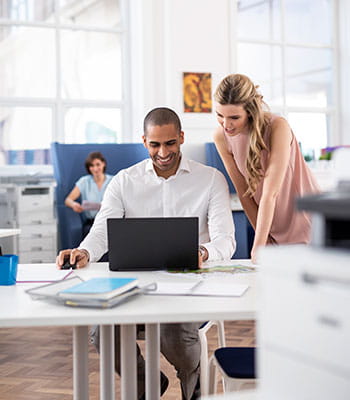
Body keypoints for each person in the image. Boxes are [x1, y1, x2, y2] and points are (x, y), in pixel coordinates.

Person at [56, 107, 236, 400]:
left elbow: (226, 241)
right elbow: (102, 231)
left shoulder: (210, 179)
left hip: (188, 288)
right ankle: (146, 384)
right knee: (102, 332)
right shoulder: (124, 182)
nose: (163, 152)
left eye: (169, 143)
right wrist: (85, 251)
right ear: (144, 141)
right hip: (134, 286)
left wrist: (202, 252)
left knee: (172, 332)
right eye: (155, 144)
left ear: (181, 138)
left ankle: (196, 388)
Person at [213, 73, 320, 263]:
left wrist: (258, 246)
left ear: (250, 111)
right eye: (220, 115)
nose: (226, 124)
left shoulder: (278, 126)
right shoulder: (221, 137)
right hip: (270, 223)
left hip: (305, 219)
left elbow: (271, 193)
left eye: (234, 117)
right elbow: (244, 194)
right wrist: (264, 238)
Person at [64, 151, 113, 237]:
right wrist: (74, 204)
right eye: (92, 166)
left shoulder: (113, 180)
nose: (95, 168)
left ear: (103, 164)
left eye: (98, 164)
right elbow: (68, 200)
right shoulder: (84, 181)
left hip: (109, 221)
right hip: (92, 223)